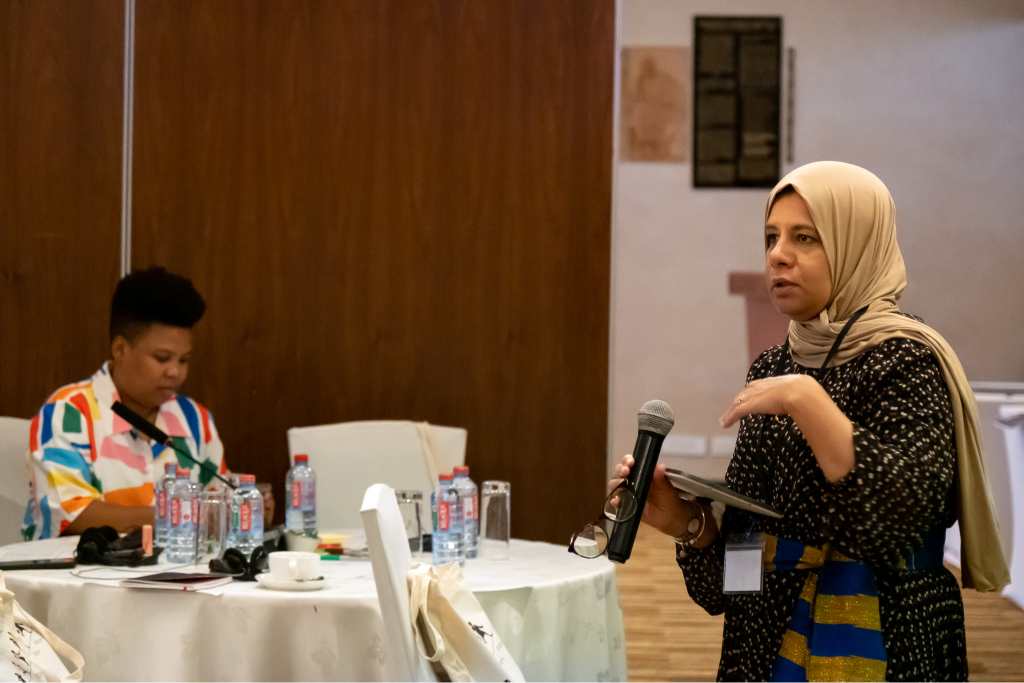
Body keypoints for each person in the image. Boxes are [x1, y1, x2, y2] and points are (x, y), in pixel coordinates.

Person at [612, 161, 1009, 681]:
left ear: (855, 245)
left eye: (805, 237)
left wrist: (808, 402)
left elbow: (905, 516)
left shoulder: (907, 360)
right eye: (771, 237)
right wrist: (688, 524)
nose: (778, 254)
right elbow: (736, 570)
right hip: (767, 648)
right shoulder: (775, 366)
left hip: (888, 642)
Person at [22, 267, 228, 539]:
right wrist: (177, 516)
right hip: (80, 565)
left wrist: (244, 508)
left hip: (175, 565)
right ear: (120, 349)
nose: (175, 372)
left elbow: (219, 502)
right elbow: (72, 514)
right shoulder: (69, 412)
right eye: (162, 358)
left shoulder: (194, 418)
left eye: (184, 360)